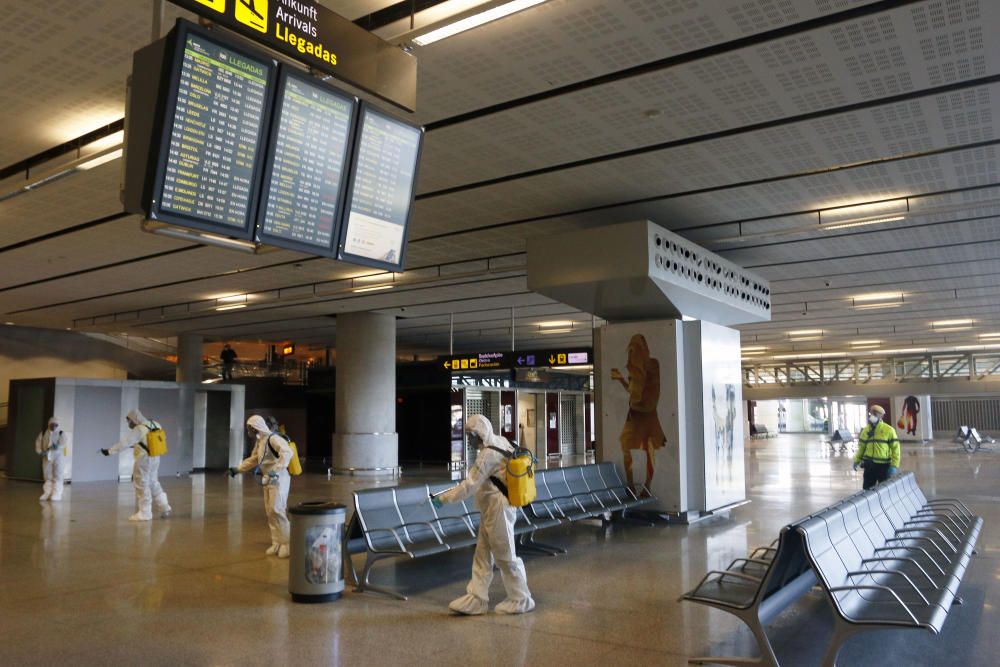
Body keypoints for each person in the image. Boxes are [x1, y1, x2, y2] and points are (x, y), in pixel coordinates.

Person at [432, 414, 534, 615]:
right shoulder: (503, 441)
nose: (471, 440)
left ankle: (521, 598)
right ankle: (477, 598)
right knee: (483, 554)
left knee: (505, 555)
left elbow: (469, 485)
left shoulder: (488, 454)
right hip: (493, 508)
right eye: (469, 436)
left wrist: (443, 499)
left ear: (482, 432)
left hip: (499, 509)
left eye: (473, 435)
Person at [230, 415, 292, 558]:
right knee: (270, 511)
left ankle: (287, 544)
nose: (249, 431)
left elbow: (287, 452)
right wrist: (237, 469)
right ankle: (276, 542)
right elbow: (254, 459)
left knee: (278, 510)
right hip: (267, 479)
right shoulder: (260, 441)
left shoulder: (273, 439)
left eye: (250, 428)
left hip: (279, 478)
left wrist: (276, 470)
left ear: (256, 426)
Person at [610, 333, 666, 491]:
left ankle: (647, 486)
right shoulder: (634, 369)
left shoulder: (652, 364)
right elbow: (632, 391)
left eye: (635, 350)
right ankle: (630, 486)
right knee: (625, 446)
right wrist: (621, 379)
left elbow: (646, 393)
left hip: (648, 414)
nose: (632, 354)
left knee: (650, 449)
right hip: (634, 414)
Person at [101, 409, 172, 521]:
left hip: (144, 459)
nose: (129, 424)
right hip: (156, 457)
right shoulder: (156, 424)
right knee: (153, 482)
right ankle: (164, 507)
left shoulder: (139, 429)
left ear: (134, 419)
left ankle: (145, 513)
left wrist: (110, 451)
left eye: (129, 421)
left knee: (141, 484)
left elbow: (125, 443)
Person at [853, 405, 900, 489]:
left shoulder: (889, 430)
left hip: (883, 466)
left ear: (881, 416)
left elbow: (896, 449)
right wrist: (857, 460)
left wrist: (894, 465)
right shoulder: (866, 430)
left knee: (884, 490)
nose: (872, 416)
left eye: (875, 414)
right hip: (869, 465)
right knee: (867, 490)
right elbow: (862, 447)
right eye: (871, 414)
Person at [35, 416, 70, 501]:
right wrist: (40, 452)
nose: (53, 426)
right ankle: (47, 492)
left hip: (58, 457)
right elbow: (38, 444)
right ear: (49, 424)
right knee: (47, 475)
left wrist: (58, 446)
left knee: (58, 474)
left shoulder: (61, 433)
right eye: (52, 424)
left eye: (55, 425)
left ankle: (57, 494)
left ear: (58, 425)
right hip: (47, 456)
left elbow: (64, 443)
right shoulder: (43, 433)